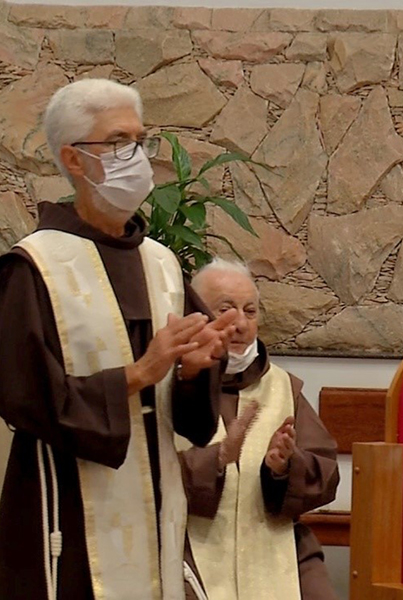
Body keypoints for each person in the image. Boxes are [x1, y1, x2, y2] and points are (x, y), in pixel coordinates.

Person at [0, 79, 236, 600]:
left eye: (142, 141)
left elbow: (191, 415)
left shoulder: (161, 263)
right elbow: (26, 400)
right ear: (75, 160)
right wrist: (139, 374)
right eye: (119, 142)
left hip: (154, 490)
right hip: (67, 501)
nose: (139, 158)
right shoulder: (34, 266)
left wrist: (192, 371)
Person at [179, 258, 340, 600]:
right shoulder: (173, 384)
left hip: (277, 548)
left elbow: (324, 474)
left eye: (250, 311)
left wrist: (283, 467)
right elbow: (147, 475)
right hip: (188, 550)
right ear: (195, 313)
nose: (240, 323)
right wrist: (217, 459)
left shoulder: (283, 387)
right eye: (226, 309)